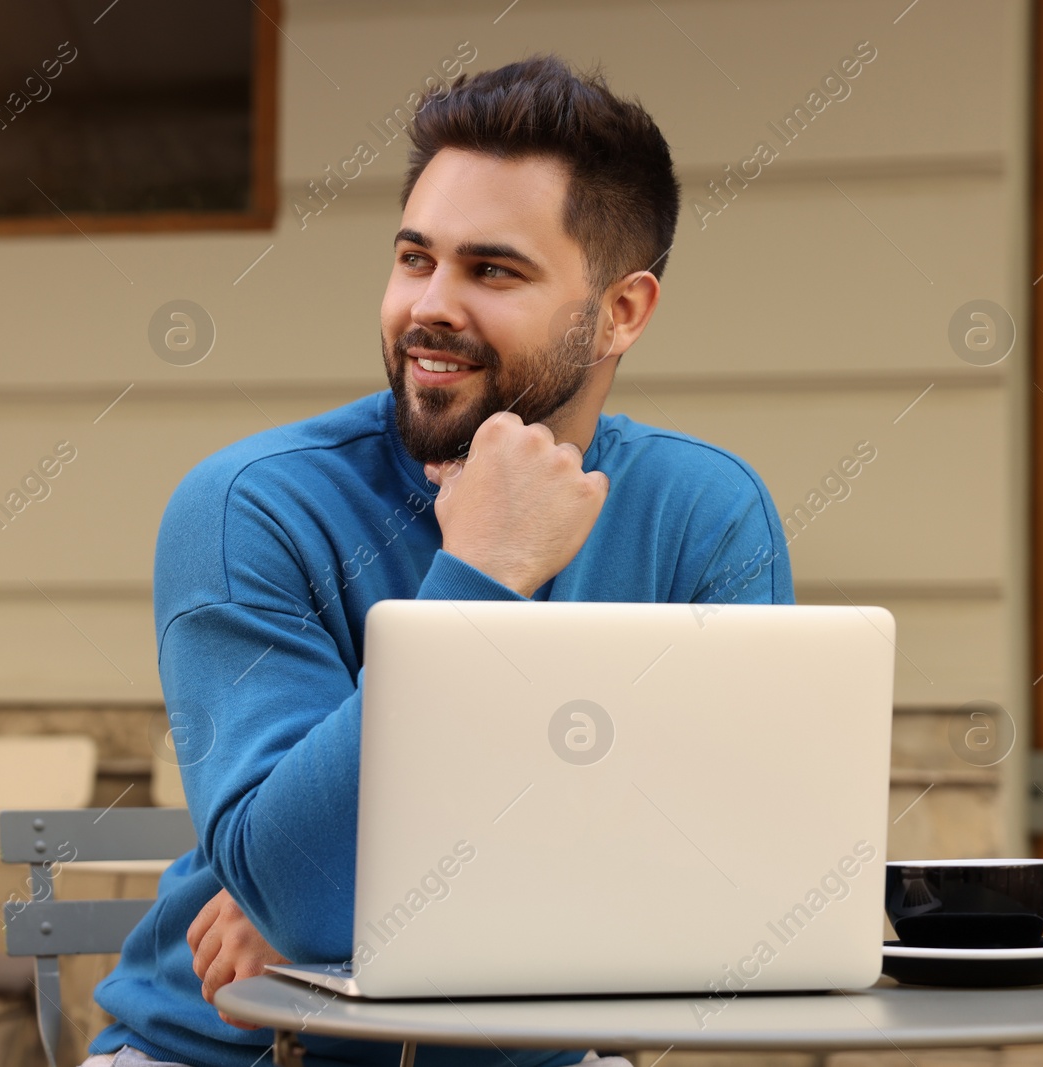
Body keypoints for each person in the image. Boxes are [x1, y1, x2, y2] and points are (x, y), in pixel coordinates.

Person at [81, 53, 794, 1067]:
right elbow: (301, 882)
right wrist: (481, 576)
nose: (429, 305)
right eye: (416, 258)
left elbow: (735, 894)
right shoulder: (250, 506)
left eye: (490, 269)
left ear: (623, 311)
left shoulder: (707, 511)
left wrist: (363, 926)